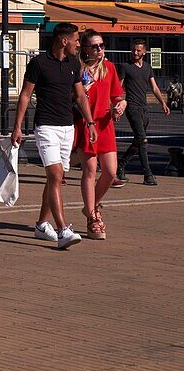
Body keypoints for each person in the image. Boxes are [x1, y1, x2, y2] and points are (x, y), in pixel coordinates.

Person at [11, 23, 97, 250]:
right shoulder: (39, 63)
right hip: (46, 126)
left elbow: (80, 96)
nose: (79, 45)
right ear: (63, 41)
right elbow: (25, 95)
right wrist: (17, 127)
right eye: (76, 40)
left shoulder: (73, 63)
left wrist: (90, 123)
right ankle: (62, 230)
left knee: (55, 179)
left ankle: (41, 225)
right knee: (56, 174)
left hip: (67, 127)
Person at [72, 30, 126, 239]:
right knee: (90, 169)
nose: (100, 50)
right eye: (95, 46)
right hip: (86, 123)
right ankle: (92, 218)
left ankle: (91, 205)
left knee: (111, 171)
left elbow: (117, 96)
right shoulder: (78, 69)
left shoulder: (109, 68)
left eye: (102, 45)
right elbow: (71, 96)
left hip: (105, 123)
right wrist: (81, 90)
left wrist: (120, 105)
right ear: (85, 49)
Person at [117, 40, 170, 186]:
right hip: (132, 107)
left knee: (137, 142)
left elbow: (154, 87)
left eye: (138, 50)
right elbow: (118, 87)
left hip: (143, 108)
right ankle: (148, 174)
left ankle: (120, 166)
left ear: (144, 52)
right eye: (133, 50)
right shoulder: (125, 66)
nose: (135, 53)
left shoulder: (147, 67)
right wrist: (118, 105)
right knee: (142, 140)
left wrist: (163, 103)